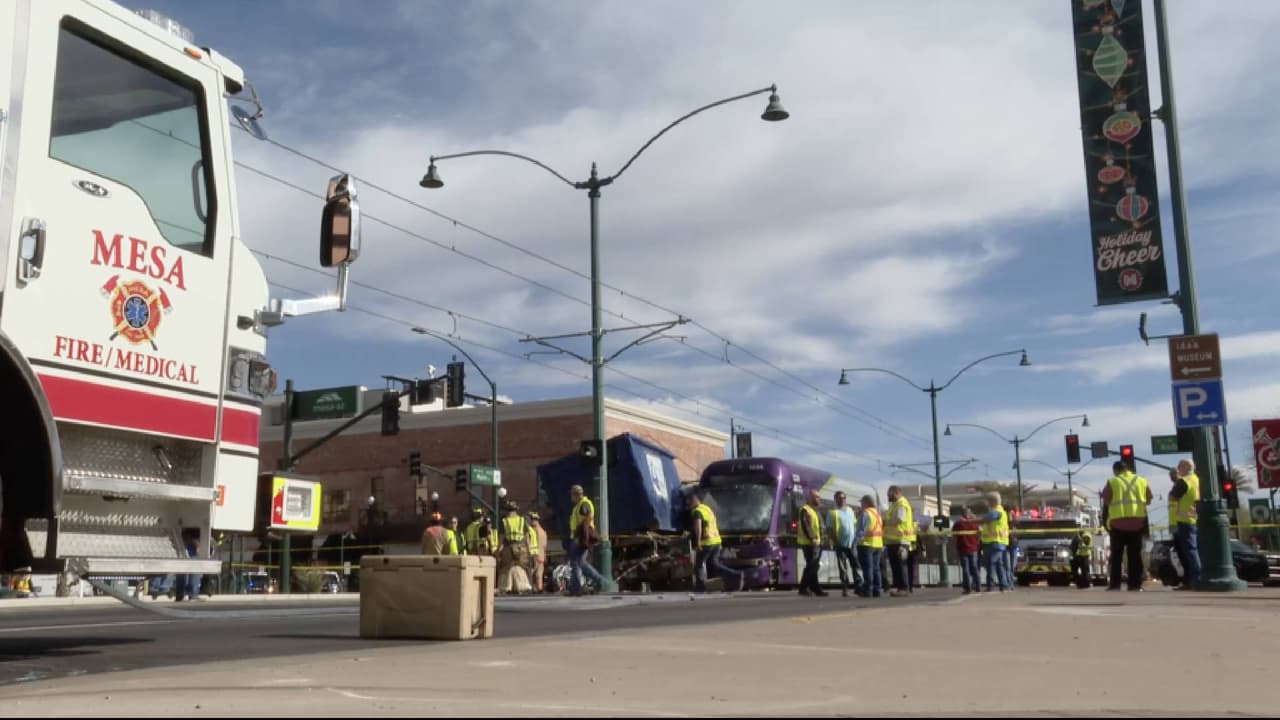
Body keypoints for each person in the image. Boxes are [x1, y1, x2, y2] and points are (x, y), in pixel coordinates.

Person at [1102, 460, 1152, 591]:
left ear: (1116, 470)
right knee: (1135, 556)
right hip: (1137, 523)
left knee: (1116, 556)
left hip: (1117, 524)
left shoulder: (1112, 482)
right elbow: (1148, 500)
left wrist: (1105, 521)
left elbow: (1106, 502)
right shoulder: (1142, 481)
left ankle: (1114, 585)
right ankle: (1135, 585)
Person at [689, 491, 744, 593]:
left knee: (699, 565)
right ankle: (735, 575)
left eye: (691, 500)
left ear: (696, 500)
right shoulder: (707, 508)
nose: (689, 503)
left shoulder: (697, 512)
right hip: (717, 541)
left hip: (707, 542)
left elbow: (698, 528)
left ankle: (700, 587)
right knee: (714, 564)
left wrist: (697, 542)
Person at [567, 484, 608, 596]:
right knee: (579, 563)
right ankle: (578, 587)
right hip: (578, 538)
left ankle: (596, 582)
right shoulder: (579, 505)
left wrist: (581, 538)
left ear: (576, 495)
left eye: (572, 494)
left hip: (579, 538)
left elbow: (587, 519)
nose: (571, 497)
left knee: (578, 563)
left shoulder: (584, 504)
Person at [1168, 459, 1202, 589]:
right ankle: (1190, 580)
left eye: (1179, 466)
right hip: (1193, 518)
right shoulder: (1197, 480)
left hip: (1184, 519)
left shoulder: (1184, 481)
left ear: (1185, 467)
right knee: (1191, 550)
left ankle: (1196, 579)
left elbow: (1173, 497)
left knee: (1189, 551)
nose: (1178, 469)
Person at [826, 491, 861, 597]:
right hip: (840, 544)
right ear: (835, 499)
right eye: (839, 498)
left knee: (856, 566)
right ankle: (845, 588)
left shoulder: (850, 510)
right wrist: (835, 541)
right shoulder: (832, 512)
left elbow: (854, 524)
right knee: (843, 568)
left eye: (843, 498)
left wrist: (856, 539)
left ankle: (859, 587)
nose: (842, 500)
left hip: (852, 544)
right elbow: (829, 529)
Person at [883, 486, 915, 597]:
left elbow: (899, 518)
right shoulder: (895, 505)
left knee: (900, 565)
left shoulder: (901, 504)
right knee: (896, 565)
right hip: (894, 541)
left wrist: (886, 521)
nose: (888, 496)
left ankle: (903, 588)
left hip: (900, 540)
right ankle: (900, 588)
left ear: (896, 493)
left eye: (889, 494)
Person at [978, 493, 1011, 592]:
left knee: (990, 563)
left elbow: (985, 519)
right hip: (995, 543)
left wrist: (971, 521)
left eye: (988, 501)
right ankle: (1003, 585)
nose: (987, 504)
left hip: (996, 542)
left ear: (993, 501)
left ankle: (990, 585)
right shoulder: (999, 512)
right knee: (998, 564)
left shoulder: (996, 512)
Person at [796, 489, 826, 596]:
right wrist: (812, 538)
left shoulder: (815, 510)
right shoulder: (805, 509)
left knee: (814, 565)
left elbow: (819, 526)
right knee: (811, 565)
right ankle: (803, 587)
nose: (819, 499)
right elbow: (806, 526)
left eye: (819, 497)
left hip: (818, 542)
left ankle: (815, 588)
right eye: (816, 497)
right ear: (810, 498)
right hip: (809, 543)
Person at [498, 501, 532, 594]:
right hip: (521, 547)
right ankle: (522, 586)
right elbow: (526, 537)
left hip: (508, 547)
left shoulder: (504, 521)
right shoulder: (522, 520)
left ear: (506, 510)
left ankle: (506, 587)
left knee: (506, 567)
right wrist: (529, 550)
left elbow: (501, 539)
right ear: (516, 510)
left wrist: (498, 551)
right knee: (520, 566)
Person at [855, 495, 883, 598]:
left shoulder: (866, 514)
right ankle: (877, 590)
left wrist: (854, 543)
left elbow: (861, 531)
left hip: (866, 545)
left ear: (866, 503)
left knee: (868, 568)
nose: (861, 505)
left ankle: (868, 590)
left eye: (862, 503)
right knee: (876, 569)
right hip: (878, 545)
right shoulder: (877, 515)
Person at [952, 508, 982, 594]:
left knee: (965, 569)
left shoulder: (959, 524)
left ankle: (967, 588)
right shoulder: (974, 523)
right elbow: (979, 533)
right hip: (973, 548)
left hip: (963, 548)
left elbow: (954, 534)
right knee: (975, 568)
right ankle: (978, 586)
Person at [528, 512, 548, 593]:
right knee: (539, 576)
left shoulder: (533, 531)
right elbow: (544, 546)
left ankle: (532, 590)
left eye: (531, 520)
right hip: (541, 557)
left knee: (531, 575)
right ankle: (539, 589)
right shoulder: (543, 531)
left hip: (535, 556)